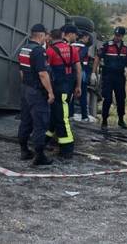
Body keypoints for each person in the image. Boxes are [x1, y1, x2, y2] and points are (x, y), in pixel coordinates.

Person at [17, 24, 55, 166]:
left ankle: (24, 150)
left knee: (26, 121)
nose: (47, 38)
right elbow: (43, 74)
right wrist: (50, 92)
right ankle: (39, 156)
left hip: (26, 89)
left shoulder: (24, 49)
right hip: (37, 92)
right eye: (46, 35)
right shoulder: (39, 51)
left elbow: (21, 71)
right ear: (41, 35)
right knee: (41, 123)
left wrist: (26, 84)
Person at [45, 25, 81, 158]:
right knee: (55, 116)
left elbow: (46, 72)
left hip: (57, 88)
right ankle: (44, 140)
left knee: (62, 118)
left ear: (52, 38)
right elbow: (78, 69)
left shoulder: (50, 51)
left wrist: (48, 91)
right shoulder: (73, 49)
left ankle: (67, 149)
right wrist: (78, 86)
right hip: (68, 88)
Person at [93, 26, 127, 130]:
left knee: (121, 99)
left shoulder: (125, 46)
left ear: (122, 36)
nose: (116, 37)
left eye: (119, 36)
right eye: (115, 35)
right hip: (108, 75)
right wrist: (94, 72)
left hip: (120, 75)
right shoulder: (107, 45)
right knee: (108, 99)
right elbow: (98, 57)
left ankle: (121, 119)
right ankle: (104, 120)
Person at [71, 32, 94, 122]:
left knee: (71, 95)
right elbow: (80, 57)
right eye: (88, 38)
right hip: (82, 72)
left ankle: (70, 114)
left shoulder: (71, 45)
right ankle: (84, 116)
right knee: (82, 94)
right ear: (85, 37)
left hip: (70, 72)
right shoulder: (85, 47)